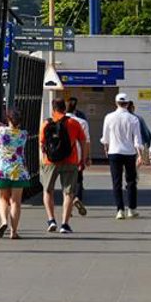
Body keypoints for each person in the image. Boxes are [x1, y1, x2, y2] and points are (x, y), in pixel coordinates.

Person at [39, 95, 90, 233]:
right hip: (70, 160)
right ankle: (65, 224)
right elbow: (83, 141)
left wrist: (44, 159)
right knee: (68, 193)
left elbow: (42, 144)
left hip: (50, 161)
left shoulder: (46, 124)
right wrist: (83, 159)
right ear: (64, 108)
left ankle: (51, 220)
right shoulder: (74, 123)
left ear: (53, 109)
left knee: (48, 191)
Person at [0, 106, 31, 239]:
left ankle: (4, 221)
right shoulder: (24, 134)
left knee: (3, 198)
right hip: (19, 171)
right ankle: (13, 232)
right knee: (16, 202)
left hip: (1, 171)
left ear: (8, 119)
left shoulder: (0, 131)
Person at [101, 93, 147, 219]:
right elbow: (137, 139)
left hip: (114, 151)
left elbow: (105, 137)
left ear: (116, 103)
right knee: (131, 181)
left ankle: (120, 210)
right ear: (127, 104)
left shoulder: (109, 117)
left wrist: (106, 148)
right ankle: (132, 209)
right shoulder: (133, 119)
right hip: (129, 152)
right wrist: (140, 155)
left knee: (116, 182)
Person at [66, 97, 92, 216]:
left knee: (66, 181)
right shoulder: (82, 122)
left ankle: (68, 207)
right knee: (78, 179)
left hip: (63, 156)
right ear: (75, 109)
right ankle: (77, 198)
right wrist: (87, 157)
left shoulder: (60, 121)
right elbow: (86, 141)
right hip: (78, 155)